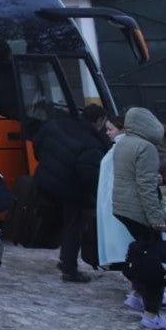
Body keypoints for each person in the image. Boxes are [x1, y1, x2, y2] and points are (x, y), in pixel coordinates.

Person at [112, 107, 166, 330]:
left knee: (139, 253)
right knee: (153, 263)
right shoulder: (146, 147)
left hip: (122, 207)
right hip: (140, 210)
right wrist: (157, 218)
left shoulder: (122, 143)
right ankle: (152, 313)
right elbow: (146, 188)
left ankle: (136, 294)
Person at [32, 107, 111, 282]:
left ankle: (63, 257)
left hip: (46, 180)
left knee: (61, 220)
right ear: (99, 121)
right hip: (70, 190)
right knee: (73, 227)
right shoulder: (93, 144)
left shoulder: (55, 125)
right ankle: (69, 269)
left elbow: (37, 144)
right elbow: (88, 176)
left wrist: (47, 165)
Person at [96, 117, 134, 270]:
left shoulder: (120, 148)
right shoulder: (119, 147)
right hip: (116, 200)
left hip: (118, 202)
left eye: (110, 129)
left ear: (122, 129)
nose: (107, 133)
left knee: (124, 244)